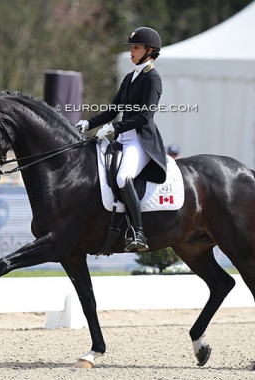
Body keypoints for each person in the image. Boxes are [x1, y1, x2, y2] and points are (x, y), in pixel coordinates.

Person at [75, 27, 167, 252]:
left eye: (136, 48)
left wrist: (113, 127)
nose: (131, 52)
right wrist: (89, 123)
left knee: (123, 177)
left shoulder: (152, 78)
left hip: (140, 141)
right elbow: (112, 111)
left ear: (150, 50)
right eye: (132, 48)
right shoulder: (130, 77)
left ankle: (139, 232)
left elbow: (145, 116)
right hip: (122, 138)